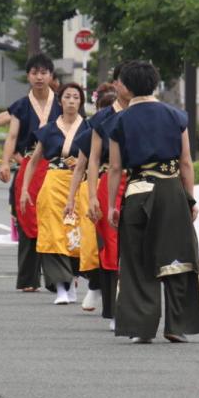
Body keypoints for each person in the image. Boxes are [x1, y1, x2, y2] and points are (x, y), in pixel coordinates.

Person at [107, 60, 199, 344]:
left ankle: (141, 327)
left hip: (138, 190)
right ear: (154, 84)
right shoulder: (176, 116)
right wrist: (190, 199)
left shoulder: (118, 121)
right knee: (177, 257)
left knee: (137, 259)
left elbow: (115, 168)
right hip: (171, 190)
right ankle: (177, 325)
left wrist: (112, 205)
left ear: (126, 87)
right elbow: (185, 162)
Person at [20, 83, 99, 305]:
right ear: (60, 101)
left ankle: (72, 280)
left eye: (76, 97)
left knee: (77, 235)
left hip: (80, 185)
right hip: (53, 184)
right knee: (53, 235)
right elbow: (33, 161)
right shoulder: (49, 129)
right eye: (67, 97)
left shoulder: (89, 127)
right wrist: (25, 189)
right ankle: (61, 288)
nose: (71, 101)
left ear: (81, 102)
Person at [65, 75, 132, 326]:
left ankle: (129, 304)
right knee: (107, 247)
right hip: (105, 186)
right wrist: (82, 197)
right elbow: (86, 162)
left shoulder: (142, 113)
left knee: (134, 246)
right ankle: (110, 305)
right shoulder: (100, 121)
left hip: (137, 182)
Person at [0, 54, 63, 292]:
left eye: (44, 72)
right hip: (28, 166)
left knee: (55, 221)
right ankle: (28, 279)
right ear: (28, 76)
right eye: (34, 73)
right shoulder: (22, 105)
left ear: (51, 76)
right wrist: (5, 162)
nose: (39, 77)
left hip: (57, 167)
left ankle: (59, 278)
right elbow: (12, 136)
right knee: (26, 218)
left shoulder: (62, 102)